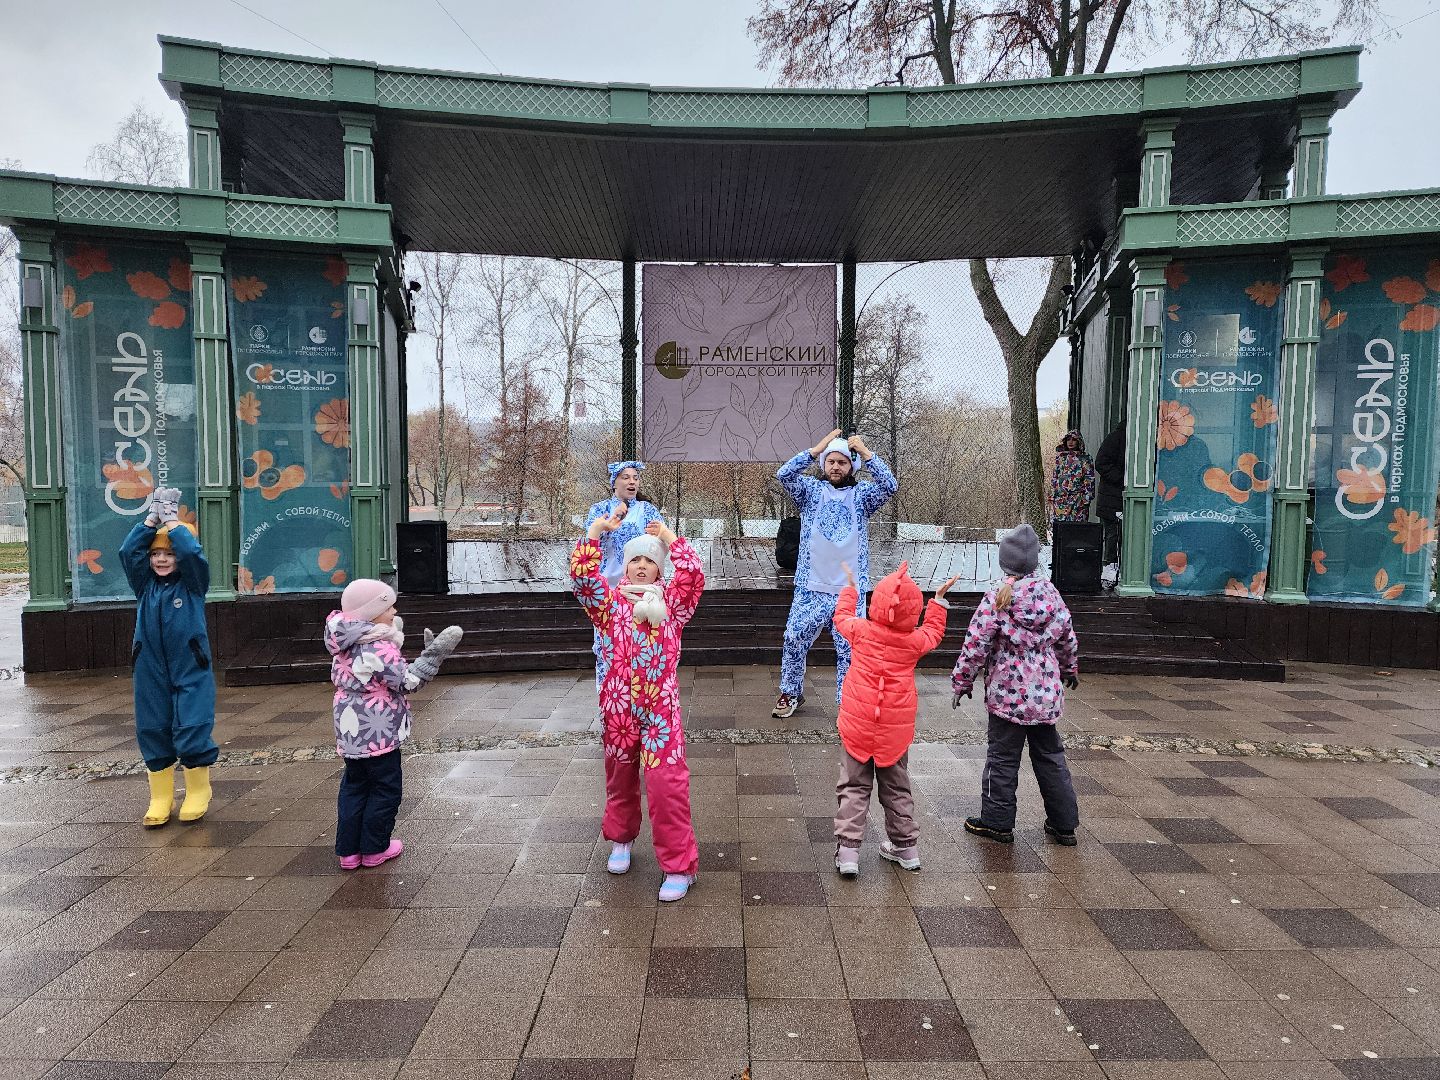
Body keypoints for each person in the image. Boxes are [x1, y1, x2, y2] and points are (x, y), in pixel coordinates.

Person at [571, 510, 703, 902]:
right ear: (625, 566)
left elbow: (693, 575)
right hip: (618, 710)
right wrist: (595, 533)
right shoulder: (608, 606)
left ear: (659, 568)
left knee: (667, 785)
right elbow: (582, 579)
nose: (642, 567)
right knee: (620, 778)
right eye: (635, 560)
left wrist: (670, 536)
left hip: (660, 711)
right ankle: (621, 839)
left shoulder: (673, 606)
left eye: (650, 560)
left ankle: (679, 865)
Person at [951, 524, 1081, 847]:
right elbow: (1067, 637)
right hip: (1045, 698)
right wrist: (1069, 669)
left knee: (1002, 757)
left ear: (1003, 562)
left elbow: (976, 642)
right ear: (1036, 562)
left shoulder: (998, 597)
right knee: (1051, 756)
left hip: (1007, 697)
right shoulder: (1051, 594)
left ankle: (997, 822)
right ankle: (1065, 824)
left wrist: (962, 681)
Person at [832, 561, 957, 877]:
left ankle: (848, 853)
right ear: (911, 614)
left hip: (858, 726)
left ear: (876, 604)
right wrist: (938, 600)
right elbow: (933, 632)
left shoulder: (861, 632)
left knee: (853, 786)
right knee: (897, 787)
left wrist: (849, 588)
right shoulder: (912, 642)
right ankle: (905, 848)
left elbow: (843, 617)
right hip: (894, 732)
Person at [326, 580, 462, 870]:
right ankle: (375, 848)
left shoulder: (343, 642)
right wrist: (432, 656)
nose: (394, 611)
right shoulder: (378, 647)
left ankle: (349, 852)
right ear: (371, 613)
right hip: (379, 730)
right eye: (388, 606)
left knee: (354, 786)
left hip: (350, 730)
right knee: (385, 789)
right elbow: (407, 682)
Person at [773, 428, 897, 718]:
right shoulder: (810, 492)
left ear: (851, 467)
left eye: (842, 462)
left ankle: (848, 702)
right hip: (811, 587)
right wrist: (816, 450)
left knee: (850, 651)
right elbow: (784, 475)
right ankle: (790, 693)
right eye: (831, 461)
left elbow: (890, 485)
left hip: (849, 591)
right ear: (824, 464)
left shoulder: (862, 496)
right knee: (793, 638)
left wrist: (866, 454)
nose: (836, 467)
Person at [120, 486, 218, 828]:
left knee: (191, 722)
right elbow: (127, 551)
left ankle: (197, 790)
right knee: (152, 725)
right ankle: (161, 796)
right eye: (156, 554)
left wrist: (173, 521)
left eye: (169, 554)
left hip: (191, 665)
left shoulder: (192, 585)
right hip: (150, 667)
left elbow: (193, 555)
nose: (162, 559)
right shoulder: (145, 586)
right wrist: (150, 519)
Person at [583, 461, 665, 690]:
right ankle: (609, 697)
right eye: (626, 477)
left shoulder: (647, 510)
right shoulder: (599, 510)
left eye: (635, 477)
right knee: (607, 645)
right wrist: (609, 523)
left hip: (641, 591)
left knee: (643, 644)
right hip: (609, 592)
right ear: (614, 483)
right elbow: (589, 544)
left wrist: (658, 534)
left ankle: (643, 696)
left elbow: (659, 543)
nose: (632, 481)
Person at [1094, 421, 1126, 589]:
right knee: (1113, 536)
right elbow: (1101, 462)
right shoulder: (1116, 438)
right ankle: (1109, 572)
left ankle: (1114, 572)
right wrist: (1123, 480)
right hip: (1112, 497)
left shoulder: (1118, 436)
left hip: (1113, 496)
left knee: (1116, 536)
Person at [1050, 430, 1097, 523]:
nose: (1070, 442)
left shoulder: (1085, 459)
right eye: (1068, 440)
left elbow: (1089, 479)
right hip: (1061, 500)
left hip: (1077, 501)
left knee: (1076, 529)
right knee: (1060, 529)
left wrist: (1086, 499)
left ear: (1078, 441)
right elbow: (1055, 477)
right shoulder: (1060, 458)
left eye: (1074, 440)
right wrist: (1053, 496)